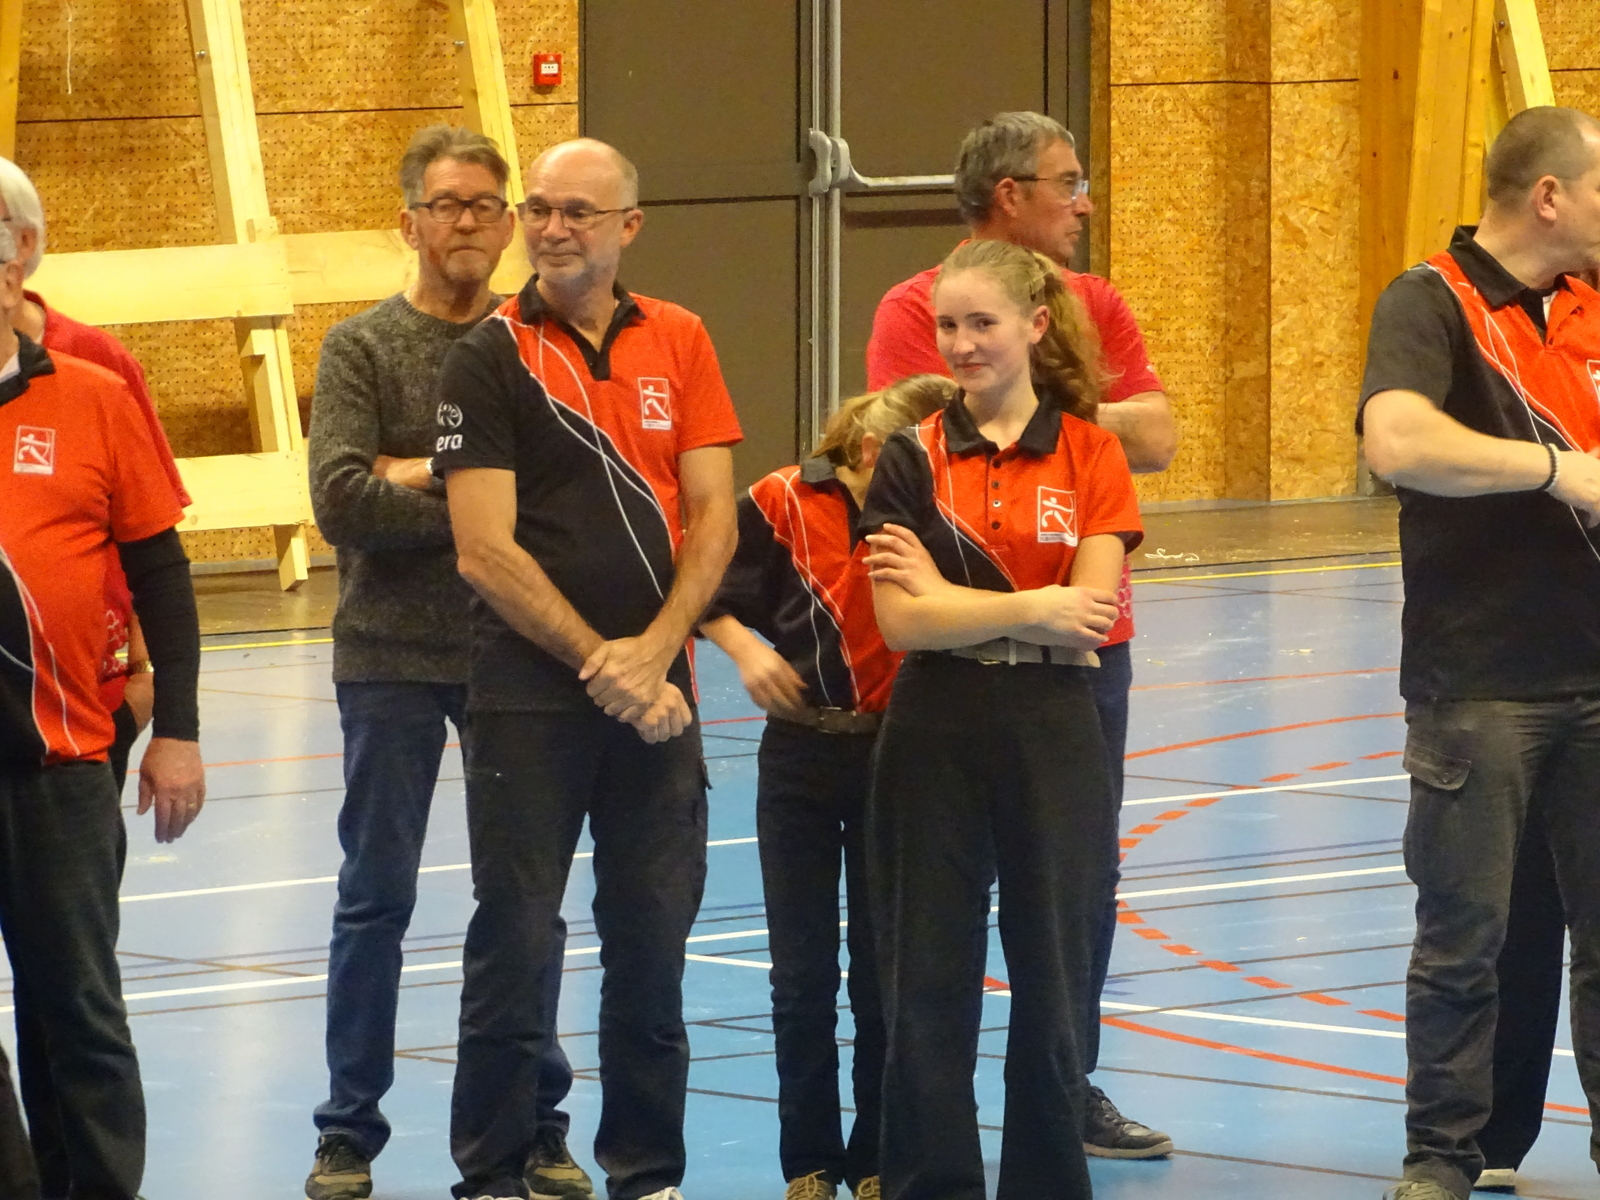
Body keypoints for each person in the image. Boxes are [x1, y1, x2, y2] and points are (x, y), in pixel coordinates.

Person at [436, 137, 742, 1200]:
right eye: (539, 209)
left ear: (629, 227)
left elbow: (714, 516)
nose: (553, 228)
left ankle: (647, 1173)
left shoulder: (683, 338)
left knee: (651, 948)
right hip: (527, 701)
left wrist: (654, 655)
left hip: (660, 704)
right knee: (515, 942)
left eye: (578, 211)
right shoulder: (487, 356)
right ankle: (492, 1174)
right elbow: (483, 550)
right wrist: (599, 662)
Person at [865, 109, 1174, 1160]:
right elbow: (903, 619)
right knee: (929, 952)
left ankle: (1054, 1142)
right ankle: (929, 1170)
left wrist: (985, 608)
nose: (960, 345)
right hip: (939, 715)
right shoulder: (912, 454)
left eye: (982, 326)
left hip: (1057, 710)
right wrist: (1026, 608)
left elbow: (1087, 610)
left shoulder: (1088, 452)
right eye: (949, 328)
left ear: (1036, 327)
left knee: (1058, 935)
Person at [304, 126, 590, 1200]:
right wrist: (473, 490)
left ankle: (539, 1122)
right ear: (409, 221)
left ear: (508, 223)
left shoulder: (539, 344)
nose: (466, 221)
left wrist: (415, 472)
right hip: (387, 658)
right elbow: (341, 502)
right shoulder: (360, 348)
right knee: (374, 898)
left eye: (483, 204)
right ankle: (346, 1132)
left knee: (524, 901)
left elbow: (557, 508)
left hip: (513, 655)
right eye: (445, 203)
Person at [1359, 105, 1600, 1200]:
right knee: (1463, 943)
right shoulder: (1430, 302)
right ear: (1548, 196)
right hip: (1479, 686)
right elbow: (1397, 440)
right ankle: (1442, 1159)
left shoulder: (1591, 301)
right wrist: (1552, 470)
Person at [700, 374, 954, 1200]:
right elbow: (704, 589)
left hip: (898, 759)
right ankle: (807, 1162)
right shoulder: (779, 499)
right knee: (801, 977)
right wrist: (747, 650)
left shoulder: (927, 514)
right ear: (872, 450)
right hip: (800, 758)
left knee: (883, 977)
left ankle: (877, 1157)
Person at [0, 216, 206, 1200]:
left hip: (63, 765)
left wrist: (179, 731)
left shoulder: (92, 396)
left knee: (76, 1009)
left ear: (15, 273)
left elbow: (162, 572)